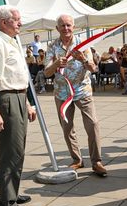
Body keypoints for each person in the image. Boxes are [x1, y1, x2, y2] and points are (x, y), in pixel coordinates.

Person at [0, 5, 37, 206]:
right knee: (9, 152)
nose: (20, 23)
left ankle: (11, 192)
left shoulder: (11, 41)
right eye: (16, 20)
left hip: (19, 98)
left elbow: (18, 77)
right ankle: (6, 203)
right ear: (4, 22)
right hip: (6, 100)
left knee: (18, 150)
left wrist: (28, 103)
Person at [44, 14, 107, 177]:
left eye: (68, 25)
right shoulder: (52, 47)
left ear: (74, 27)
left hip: (82, 91)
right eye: (62, 26)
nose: (66, 28)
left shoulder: (83, 44)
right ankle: (77, 159)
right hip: (62, 94)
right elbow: (46, 72)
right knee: (67, 128)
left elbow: (94, 69)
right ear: (57, 28)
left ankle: (97, 161)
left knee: (92, 124)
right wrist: (56, 64)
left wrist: (83, 59)